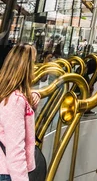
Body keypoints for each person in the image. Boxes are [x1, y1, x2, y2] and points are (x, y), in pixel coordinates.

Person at [0, 44, 41, 181]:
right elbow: (15, 149)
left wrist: (34, 94)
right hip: (8, 173)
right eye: (34, 62)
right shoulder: (15, 101)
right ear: (26, 67)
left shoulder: (7, 95)